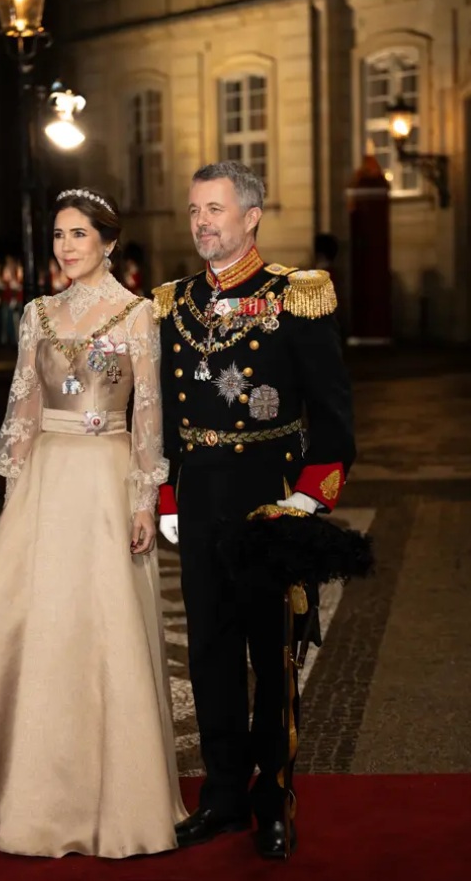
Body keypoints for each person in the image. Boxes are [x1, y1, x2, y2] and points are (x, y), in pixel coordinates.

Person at [0, 188, 187, 859]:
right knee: (36, 627)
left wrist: (141, 501)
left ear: (108, 242)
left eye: (78, 234)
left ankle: (119, 797)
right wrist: (16, 497)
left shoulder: (138, 314)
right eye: (60, 235)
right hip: (46, 483)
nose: (66, 246)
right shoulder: (38, 315)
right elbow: (25, 410)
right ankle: (12, 788)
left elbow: (151, 414)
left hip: (105, 478)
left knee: (104, 629)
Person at [153, 161, 355, 858]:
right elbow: (161, 419)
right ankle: (224, 797)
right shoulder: (171, 303)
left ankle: (275, 802)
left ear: (251, 216)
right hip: (200, 498)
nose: (203, 222)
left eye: (215, 209)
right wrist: (167, 493)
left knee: (271, 659)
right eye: (194, 210)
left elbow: (332, 412)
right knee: (207, 654)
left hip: (270, 499)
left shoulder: (295, 297)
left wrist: (309, 495)